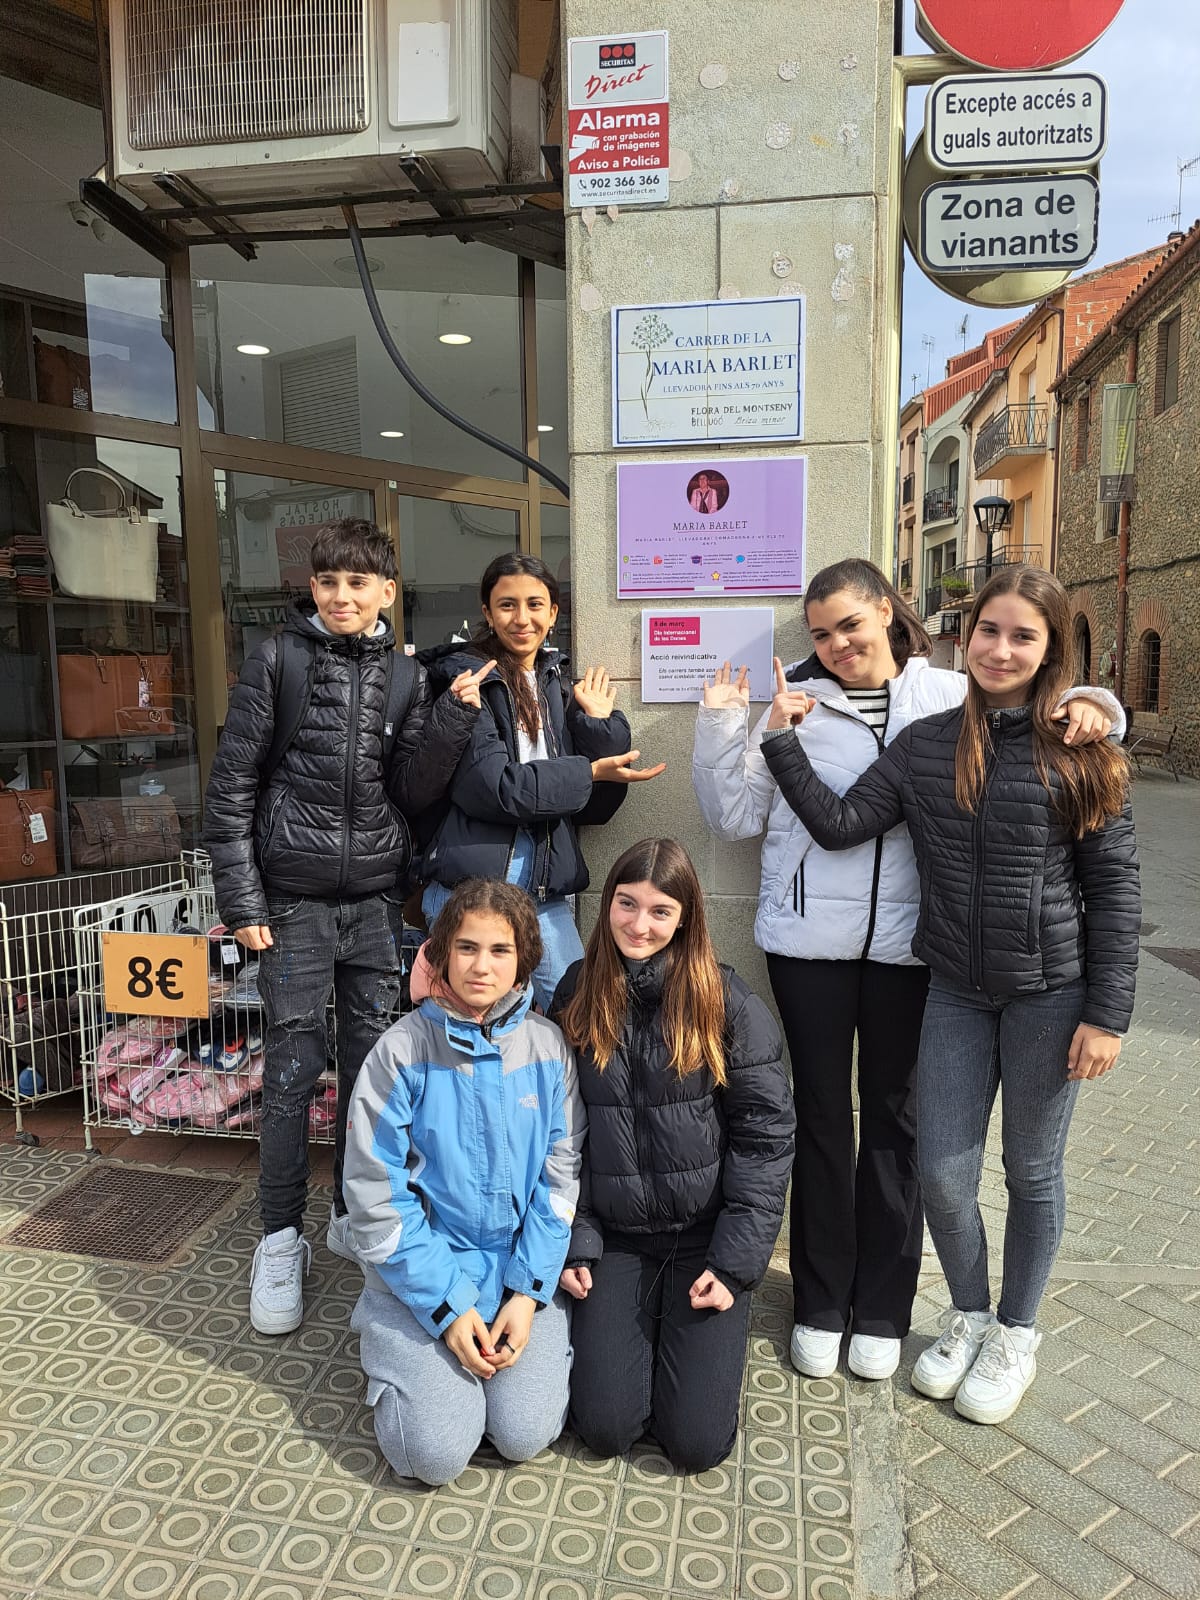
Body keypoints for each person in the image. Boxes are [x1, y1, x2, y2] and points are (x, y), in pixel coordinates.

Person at [692, 558, 1123, 1384]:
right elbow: (734, 816)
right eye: (821, 633)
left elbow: (1043, 710)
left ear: (888, 612)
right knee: (819, 1119)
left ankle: (886, 1307)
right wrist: (726, 725)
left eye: (850, 624)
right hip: (806, 944)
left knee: (899, 1127)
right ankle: (821, 1300)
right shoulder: (796, 702)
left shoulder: (944, 697)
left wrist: (1098, 706)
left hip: (914, 951)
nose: (838, 643)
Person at [204, 517, 491, 1336]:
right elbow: (231, 787)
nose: (341, 596)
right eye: (328, 582)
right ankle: (280, 1241)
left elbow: (412, 789)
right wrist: (244, 903)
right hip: (290, 905)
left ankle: (354, 1219)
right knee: (291, 1074)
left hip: (371, 904)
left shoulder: (406, 679)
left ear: (386, 593)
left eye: (358, 583)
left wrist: (453, 719)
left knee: (372, 1077)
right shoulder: (278, 660)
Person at [554, 839, 795, 1472]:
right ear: (606, 906)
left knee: (695, 1445)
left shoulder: (725, 1002)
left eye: (660, 911)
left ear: (686, 916)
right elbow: (556, 1134)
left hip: (703, 1239)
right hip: (615, 1238)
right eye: (626, 905)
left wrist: (737, 1263)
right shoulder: (577, 992)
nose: (639, 924)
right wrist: (577, 1239)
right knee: (605, 1429)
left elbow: (766, 1136)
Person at [342, 878, 585, 1485]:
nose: (482, 966)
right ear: (442, 952)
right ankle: (389, 1337)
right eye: (468, 948)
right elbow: (375, 1197)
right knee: (434, 1455)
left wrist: (529, 1295)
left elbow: (560, 1184)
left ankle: (516, 1341)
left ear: (525, 958)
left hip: (514, 1273)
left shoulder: (549, 1050)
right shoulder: (399, 1053)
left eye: (500, 950)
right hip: (422, 1274)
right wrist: (448, 1311)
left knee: (524, 1433)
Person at [418, 553, 665, 1007]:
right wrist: (587, 771)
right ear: (488, 613)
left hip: (544, 893)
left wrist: (597, 727)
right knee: (480, 1023)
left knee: (575, 1013)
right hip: (471, 895)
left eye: (535, 604)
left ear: (553, 614)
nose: (522, 618)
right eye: (507, 605)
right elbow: (496, 789)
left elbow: (594, 809)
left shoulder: (557, 685)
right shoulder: (466, 680)